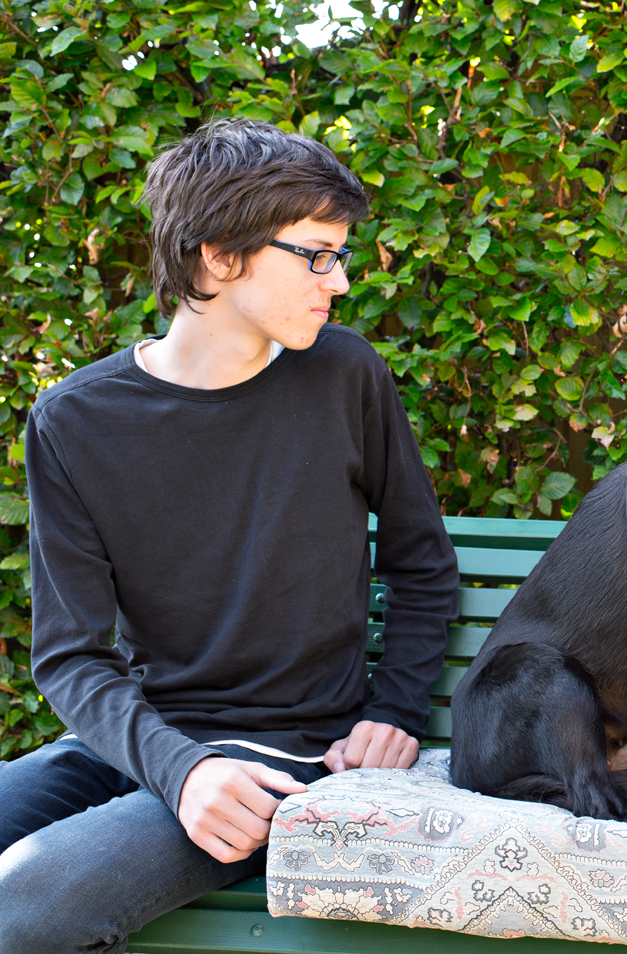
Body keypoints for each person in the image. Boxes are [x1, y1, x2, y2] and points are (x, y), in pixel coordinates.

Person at [0, 118, 459, 952]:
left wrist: (394, 708)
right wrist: (179, 768)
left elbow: (421, 565)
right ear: (218, 254)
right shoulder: (75, 419)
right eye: (317, 255)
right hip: (142, 742)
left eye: (341, 254)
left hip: (285, 754)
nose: (341, 279)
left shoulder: (344, 374)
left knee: (25, 908)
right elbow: (70, 655)